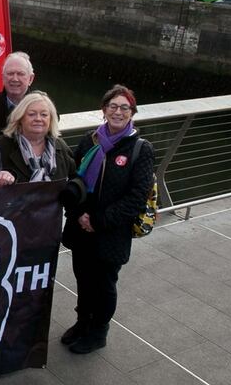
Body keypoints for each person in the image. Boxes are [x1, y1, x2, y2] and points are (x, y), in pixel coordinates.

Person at [61, 84, 154, 355]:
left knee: (104, 285)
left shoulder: (140, 149)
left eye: (124, 107)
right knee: (83, 279)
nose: (118, 111)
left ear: (132, 113)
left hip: (110, 233)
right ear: (103, 110)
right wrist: (79, 216)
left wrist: (98, 221)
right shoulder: (89, 141)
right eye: (112, 106)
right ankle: (82, 322)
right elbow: (74, 181)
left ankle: (98, 331)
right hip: (81, 228)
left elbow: (136, 197)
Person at [0, 92, 75, 183]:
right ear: (20, 118)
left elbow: (75, 178)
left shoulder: (61, 146)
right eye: (32, 114)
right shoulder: (0, 145)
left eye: (44, 115)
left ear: (51, 120)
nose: (38, 119)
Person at [0, 51, 36, 138]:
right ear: (3, 77)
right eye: (10, 73)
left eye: (20, 74)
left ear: (30, 79)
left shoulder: (42, 105)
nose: (15, 79)